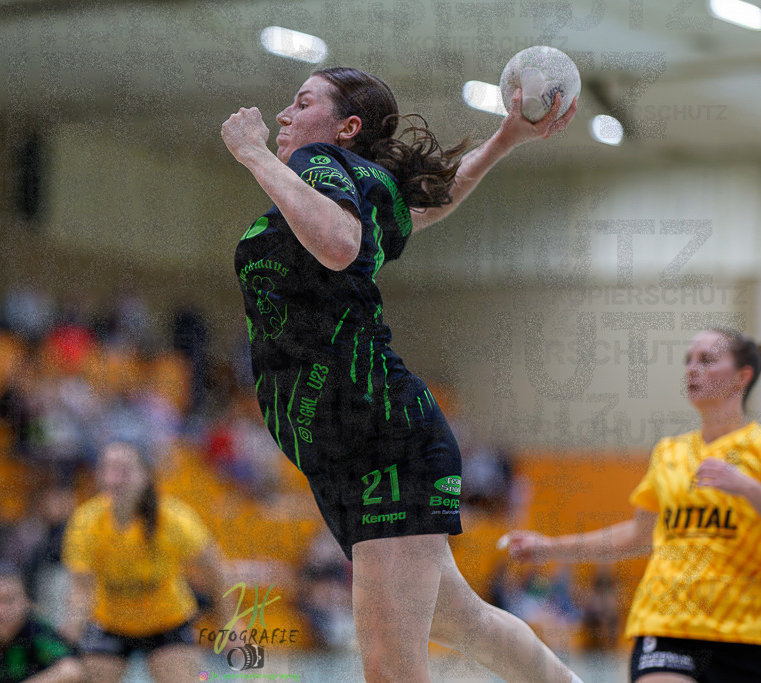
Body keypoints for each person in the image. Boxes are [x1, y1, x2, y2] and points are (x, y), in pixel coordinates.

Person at [222, 66, 580, 683]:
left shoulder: (317, 163)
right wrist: (503, 141)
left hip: (379, 440)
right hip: (347, 453)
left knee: (390, 666)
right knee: (459, 621)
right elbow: (426, 207)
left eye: (301, 102)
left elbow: (338, 243)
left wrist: (255, 155)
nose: (283, 115)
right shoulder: (358, 183)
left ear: (346, 128)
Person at [502, 328, 761, 683]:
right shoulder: (669, 453)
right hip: (668, 624)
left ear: (742, 377)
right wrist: (550, 547)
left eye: (707, 360)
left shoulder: (757, 447)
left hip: (747, 631)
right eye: (688, 360)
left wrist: (746, 487)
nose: (691, 369)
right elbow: (638, 536)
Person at [61, 440, 225, 683]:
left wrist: (230, 623)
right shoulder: (86, 521)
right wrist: (74, 624)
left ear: (146, 475)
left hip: (167, 621)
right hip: (109, 622)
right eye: (108, 468)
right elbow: (82, 586)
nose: (115, 478)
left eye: (124, 469)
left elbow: (217, 572)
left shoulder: (174, 519)